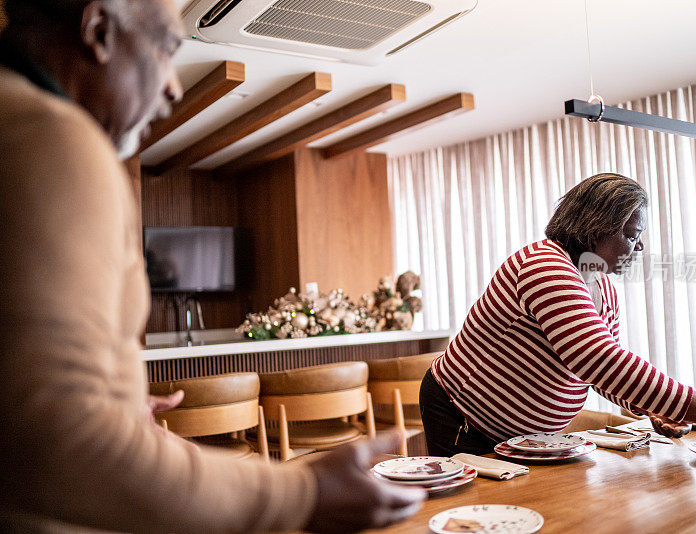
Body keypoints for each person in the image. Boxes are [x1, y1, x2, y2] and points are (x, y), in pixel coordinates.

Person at [0, 0, 425, 532]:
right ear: (99, 30)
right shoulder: (52, 138)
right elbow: (52, 442)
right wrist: (302, 492)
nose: (175, 88)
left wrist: (119, 401)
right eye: (167, 48)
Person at [420, 173, 696, 456]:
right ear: (596, 229)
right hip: (463, 413)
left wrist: (650, 408)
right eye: (632, 235)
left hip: (520, 431)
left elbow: (599, 375)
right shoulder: (545, 265)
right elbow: (598, 359)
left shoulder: (602, 287)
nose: (640, 246)